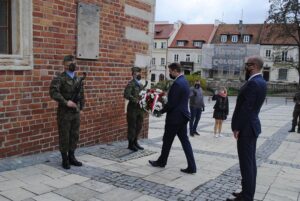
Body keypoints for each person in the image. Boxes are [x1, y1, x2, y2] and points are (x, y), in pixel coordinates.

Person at [227, 56, 267, 201]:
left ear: (254, 66)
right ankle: (246, 192)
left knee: (247, 163)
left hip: (247, 128)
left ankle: (247, 196)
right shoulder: (260, 81)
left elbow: (246, 108)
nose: (245, 67)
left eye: (247, 65)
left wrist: (237, 127)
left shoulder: (254, 83)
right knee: (249, 163)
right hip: (251, 126)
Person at [148, 63, 197, 174]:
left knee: (167, 141)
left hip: (175, 118)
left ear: (175, 71)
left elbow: (172, 104)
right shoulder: (184, 81)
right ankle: (192, 166)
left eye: (170, 71)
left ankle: (162, 162)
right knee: (185, 142)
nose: (169, 73)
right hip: (183, 117)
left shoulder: (177, 84)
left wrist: (160, 111)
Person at [49, 55, 85, 169]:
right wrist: (66, 102)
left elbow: (81, 95)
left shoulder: (78, 79)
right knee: (64, 135)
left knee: (74, 135)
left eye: (74, 63)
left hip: (75, 112)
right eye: (70, 63)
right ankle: (65, 159)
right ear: (64, 65)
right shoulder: (59, 78)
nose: (73, 65)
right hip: (64, 112)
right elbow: (54, 93)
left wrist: (81, 108)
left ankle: (72, 157)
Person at [124, 67, 145, 152]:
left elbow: (143, 94)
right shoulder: (130, 84)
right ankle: (130, 144)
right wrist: (135, 100)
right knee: (132, 126)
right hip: (132, 109)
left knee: (139, 126)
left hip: (140, 109)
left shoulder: (141, 84)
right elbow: (126, 95)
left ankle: (136, 141)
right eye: (137, 73)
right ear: (133, 74)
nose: (138, 74)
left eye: (139, 73)